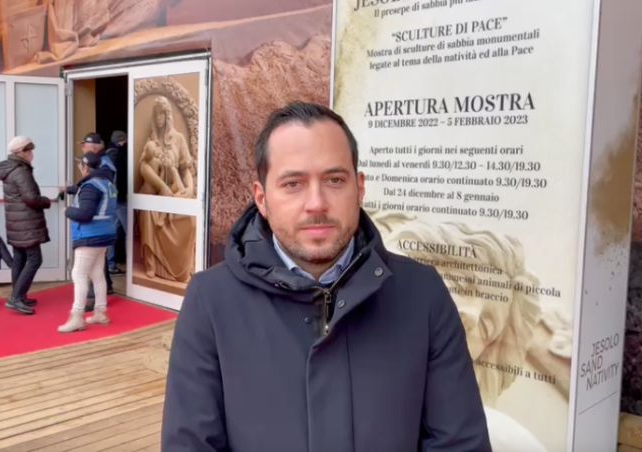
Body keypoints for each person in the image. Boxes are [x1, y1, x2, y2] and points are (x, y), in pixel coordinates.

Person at [161, 102, 490, 451]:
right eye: (293, 184)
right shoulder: (211, 302)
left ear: (359, 189)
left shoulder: (421, 295)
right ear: (262, 198)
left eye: (334, 180)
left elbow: (459, 443)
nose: (316, 203)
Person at [137, 96, 196, 282]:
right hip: (156, 190)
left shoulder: (178, 139)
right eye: (156, 115)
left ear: (168, 115)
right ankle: (151, 263)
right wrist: (161, 186)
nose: (159, 118)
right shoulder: (151, 142)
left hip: (176, 189)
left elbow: (185, 168)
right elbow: (143, 167)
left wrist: (190, 187)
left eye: (162, 113)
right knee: (147, 212)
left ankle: (183, 267)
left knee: (191, 222)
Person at [58, 153, 117, 333]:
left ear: (85, 168)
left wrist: (66, 210)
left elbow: (85, 213)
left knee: (79, 274)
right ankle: (100, 312)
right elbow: (90, 198)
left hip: (90, 236)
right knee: (97, 273)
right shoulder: (107, 183)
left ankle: (77, 317)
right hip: (105, 234)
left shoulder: (91, 186)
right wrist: (70, 190)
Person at [0, 136, 52, 315]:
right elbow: (31, 199)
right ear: (21, 152)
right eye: (29, 150)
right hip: (26, 223)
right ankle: (16, 298)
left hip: (17, 223)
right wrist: (46, 201)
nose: (32, 154)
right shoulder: (21, 171)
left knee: (20, 258)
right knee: (35, 259)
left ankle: (18, 294)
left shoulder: (10, 169)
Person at [106, 130, 128, 274]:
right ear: (121, 140)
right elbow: (117, 179)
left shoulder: (107, 154)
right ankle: (133, 265)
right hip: (119, 199)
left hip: (112, 200)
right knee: (130, 231)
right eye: (125, 140)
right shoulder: (117, 155)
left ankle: (110, 265)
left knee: (113, 231)